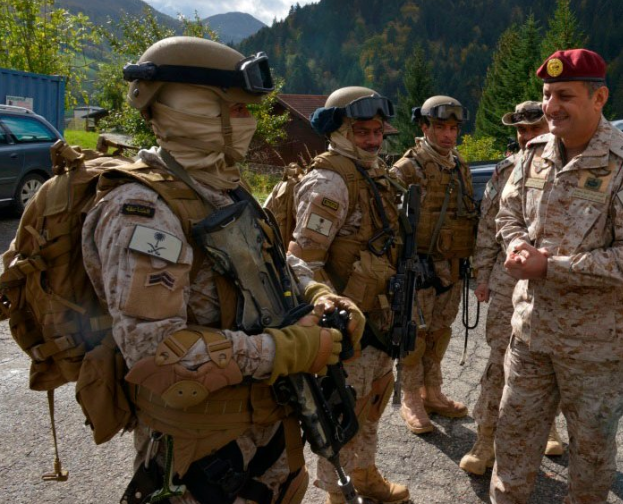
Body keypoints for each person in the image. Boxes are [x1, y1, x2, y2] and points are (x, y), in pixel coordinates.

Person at [85, 36, 363, 504]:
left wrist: (318, 293)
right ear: (189, 109)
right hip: (204, 455)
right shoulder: (144, 209)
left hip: (265, 430)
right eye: (237, 110)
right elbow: (155, 351)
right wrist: (283, 351)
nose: (249, 123)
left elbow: (275, 258)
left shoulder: (226, 187)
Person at [490, 48, 623, 504]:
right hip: (531, 333)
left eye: (564, 95)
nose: (551, 107)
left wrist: (551, 266)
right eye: (547, 95)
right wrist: (515, 244)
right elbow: (507, 215)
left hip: (598, 348)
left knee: (589, 453)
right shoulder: (534, 154)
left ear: (599, 97)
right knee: (512, 439)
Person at [287, 86, 409, 503]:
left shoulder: (375, 173)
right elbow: (302, 260)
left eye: (378, 132)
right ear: (339, 132)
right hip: (346, 320)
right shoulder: (330, 183)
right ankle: (338, 491)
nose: (374, 140)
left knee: (373, 399)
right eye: (363, 132)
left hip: (378, 312)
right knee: (343, 409)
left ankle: (365, 474)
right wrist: (333, 314)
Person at [459, 100, 563, 477]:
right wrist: (482, 276)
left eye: (533, 129)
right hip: (509, 279)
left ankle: (549, 427)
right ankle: (485, 439)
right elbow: (489, 228)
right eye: (520, 131)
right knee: (500, 358)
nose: (526, 137)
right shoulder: (506, 171)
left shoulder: (569, 167)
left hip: (557, 279)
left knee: (549, 360)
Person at [392, 96, 478, 434]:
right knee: (415, 335)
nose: (448, 135)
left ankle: (433, 391)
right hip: (419, 267)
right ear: (424, 127)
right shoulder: (407, 169)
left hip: (452, 266)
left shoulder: (459, 165)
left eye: (453, 128)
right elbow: (390, 223)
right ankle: (411, 398)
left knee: (441, 332)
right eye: (440, 127)